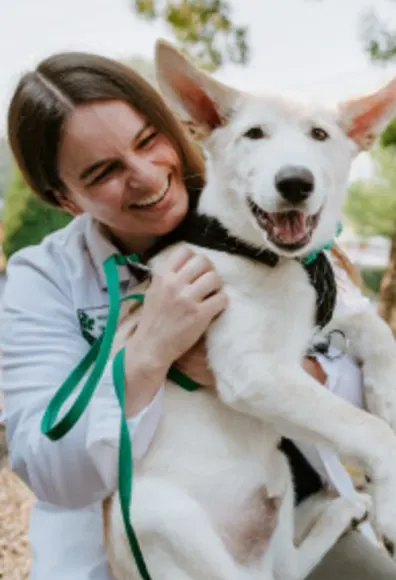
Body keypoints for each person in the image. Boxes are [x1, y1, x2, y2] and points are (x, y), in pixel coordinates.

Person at [1, 51, 395, 580]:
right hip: (153, 543)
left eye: (146, 142)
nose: (144, 175)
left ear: (176, 123)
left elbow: (342, 364)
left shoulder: (270, 217)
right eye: (103, 172)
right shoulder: (42, 279)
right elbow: (47, 469)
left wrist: (290, 372)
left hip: (287, 508)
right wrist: (152, 352)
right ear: (65, 199)